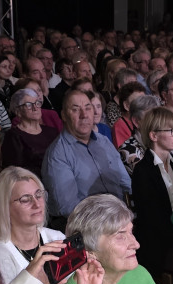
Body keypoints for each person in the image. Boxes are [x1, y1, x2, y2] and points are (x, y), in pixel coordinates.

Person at [43, 89, 132, 223]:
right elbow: (69, 208)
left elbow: (126, 183)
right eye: (75, 109)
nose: (84, 115)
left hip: (120, 217)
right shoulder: (58, 154)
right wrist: (109, 220)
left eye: (88, 108)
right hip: (90, 226)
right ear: (64, 115)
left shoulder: (104, 141)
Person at [0, 167, 66, 284]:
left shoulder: (56, 237)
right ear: (5, 207)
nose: (37, 204)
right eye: (25, 199)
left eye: (38, 195)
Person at [131, 106, 173, 276]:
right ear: (153, 135)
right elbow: (152, 219)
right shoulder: (143, 171)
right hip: (157, 242)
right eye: (172, 131)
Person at [1, 87, 59, 177]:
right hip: (32, 183)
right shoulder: (13, 136)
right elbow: (15, 172)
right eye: (28, 105)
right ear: (18, 111)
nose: (35, 108)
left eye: (37, 103)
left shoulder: (52, 132)